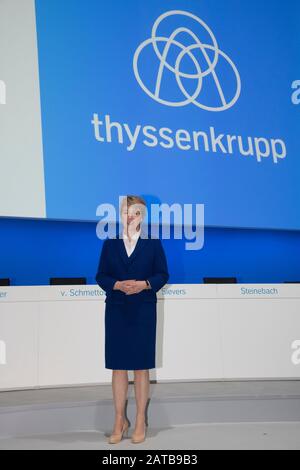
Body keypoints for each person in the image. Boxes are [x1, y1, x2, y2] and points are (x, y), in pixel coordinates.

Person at [95, 195, 169, 444]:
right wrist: (116, 284)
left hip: (143, 310)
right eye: (126, 211)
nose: (130, 216)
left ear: (142, 216)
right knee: (118, 367)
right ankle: (119, 419)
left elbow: (162, 274)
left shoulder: (153, 243)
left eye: (135, 212)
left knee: (140, 367)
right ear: (120, 213)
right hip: (117, 309)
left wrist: (145, 284)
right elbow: (101, 275)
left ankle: (139, 420)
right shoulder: (110, 243)